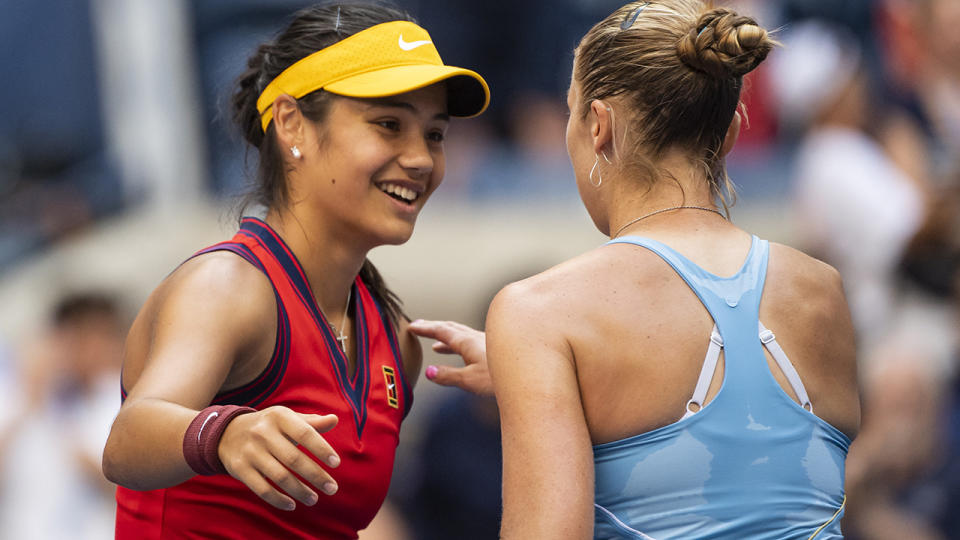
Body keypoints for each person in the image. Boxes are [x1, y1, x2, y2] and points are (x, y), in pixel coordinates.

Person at [414, 1, 860, 538]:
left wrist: (537, 355)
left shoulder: (540, 314)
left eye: (570, 114)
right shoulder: (823, 291)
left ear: (598, 126)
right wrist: (533, 371)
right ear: (730, 135)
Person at [100, 3, 488, 538]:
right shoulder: (228, 286)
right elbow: (126, 442)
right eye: (389, 125)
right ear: (291, 123)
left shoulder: (394, 339)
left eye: (435, 135)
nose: (420, 157)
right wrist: (225, 435)